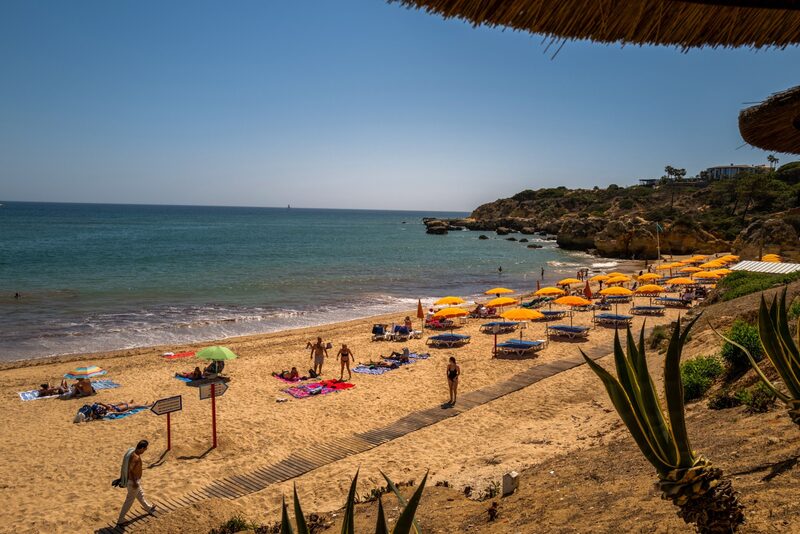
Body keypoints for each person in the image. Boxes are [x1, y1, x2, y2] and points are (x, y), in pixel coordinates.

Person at [116, 440, 156, 526]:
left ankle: (148, 508)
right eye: (145, 448)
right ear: (141, 448)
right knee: (129, 501)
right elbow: (131, 470)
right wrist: (134, 482)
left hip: (132, 481)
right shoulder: (136, 458)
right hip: (133, 482)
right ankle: (120, 519)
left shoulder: (132, 452)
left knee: (140, 494)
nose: (146, 450)